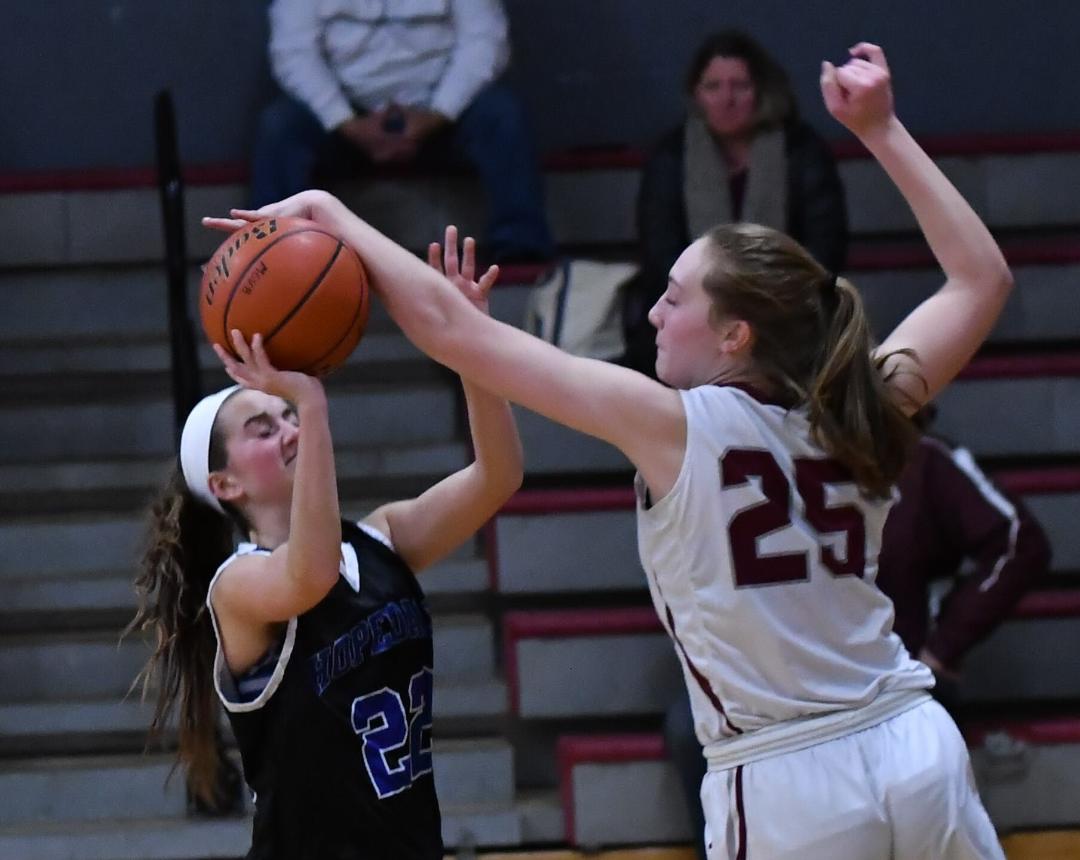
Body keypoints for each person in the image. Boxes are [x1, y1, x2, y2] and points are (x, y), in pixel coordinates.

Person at [209, 42, 1013, 859]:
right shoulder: (866, 400)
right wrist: (882, 130)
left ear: (736, 334)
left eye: (672, 296)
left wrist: (335, 216)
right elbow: (980, 281)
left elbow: (453, 332)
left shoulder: (672, 423)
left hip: (788, 777)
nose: (654, 313)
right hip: (915, 743)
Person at [127, 231, 523, 858]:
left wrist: (473, 346)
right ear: (224, 484)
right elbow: (308, 576)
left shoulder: (380, 538)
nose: (287, 429)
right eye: (264, 426)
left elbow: (498, 474)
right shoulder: (237, 587)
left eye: (287, 415)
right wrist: (310, 406)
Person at [664, 413, 1052, 859]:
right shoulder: (750, 461)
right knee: (690, 727)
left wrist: (944, 646)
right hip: (779, 691)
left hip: (893, 683)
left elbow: (1020, 539)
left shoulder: (920, 459)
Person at [250, 0, 554, 264]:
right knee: (279, 126)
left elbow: (485, 41)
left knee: (502, 115)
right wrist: (346, 122)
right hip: (347, 121)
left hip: (440, 118)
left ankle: (520, 254)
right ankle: (270, 258)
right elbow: (294, 53)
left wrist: (438, 114)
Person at [624, 29, 848, 375]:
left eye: (739, 86)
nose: (726, 99)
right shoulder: (671, 158)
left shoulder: (801, 152)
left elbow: (824, 251)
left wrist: (767, 310)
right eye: (713, 87)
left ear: (762, 90)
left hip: (789, 314)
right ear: (696, 94)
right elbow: (660, 253)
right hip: (695, 314)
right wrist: (713, 311)